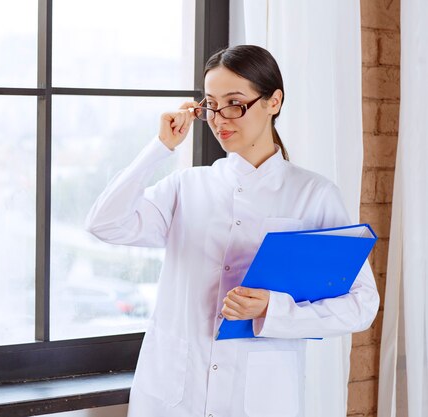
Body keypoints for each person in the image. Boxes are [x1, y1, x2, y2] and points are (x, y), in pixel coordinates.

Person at [84, 45, 379, 417]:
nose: (220, 118)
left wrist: (275, 308)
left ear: (274, 102)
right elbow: (104, 222)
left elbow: (362, 305)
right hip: (173, 394)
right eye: (210, 104)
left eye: (235, 103)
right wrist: (160, 148)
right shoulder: (186, 187)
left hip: (260, 397)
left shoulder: (314, 195)